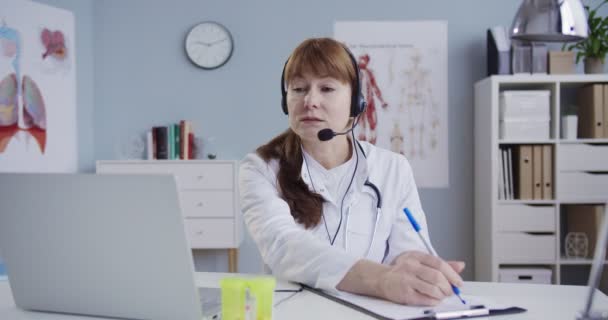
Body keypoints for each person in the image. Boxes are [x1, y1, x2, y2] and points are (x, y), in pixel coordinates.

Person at [239, 37, 464, 306]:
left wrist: (418, 271)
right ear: (286, 100)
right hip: (294, 310)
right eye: (298, 88)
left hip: (373, 310)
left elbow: (407, 251)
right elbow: (284, 246)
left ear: (355, 102)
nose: (310, 101)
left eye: (327, 88)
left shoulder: (393, 168)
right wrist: (382, 280)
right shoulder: (261, 167)